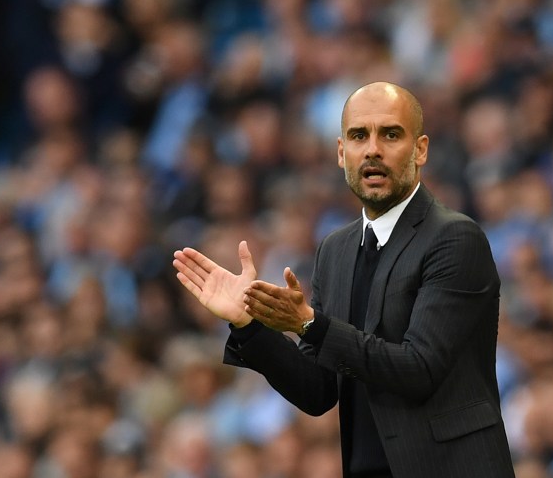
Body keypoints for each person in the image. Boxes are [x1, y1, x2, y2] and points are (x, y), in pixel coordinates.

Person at [173, 81, 515, 477]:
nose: (372, 149)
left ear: (420, 149)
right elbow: (318, 390)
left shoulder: (455, 238)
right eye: (358, 136)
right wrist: (248, 324)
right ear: (341, 153)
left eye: (390, 134)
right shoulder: (334, 250)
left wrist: (310, 325)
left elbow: (419, 369)